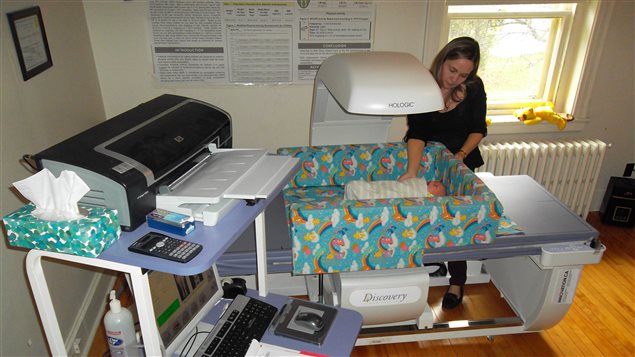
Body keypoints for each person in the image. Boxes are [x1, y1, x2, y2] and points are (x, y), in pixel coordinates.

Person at [398, 36, 487, 310]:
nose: (455, 78)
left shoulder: (473, 87)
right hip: (423, 157)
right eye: (452, 70)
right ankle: (419, 268)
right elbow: (418, 132)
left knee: (455, 220)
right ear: (442, 61)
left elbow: (478, 128)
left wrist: (458, 157)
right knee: (417, 216)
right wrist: (412, 171)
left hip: (460, 159)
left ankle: (457, 281)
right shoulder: (422, 85)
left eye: (463, 74)